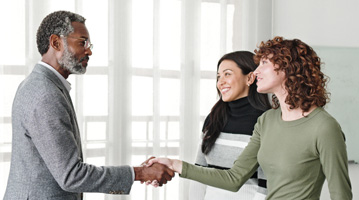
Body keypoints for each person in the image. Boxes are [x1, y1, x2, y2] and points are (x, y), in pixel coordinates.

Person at [148, 36, 353, 200]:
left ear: (287, 68)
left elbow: (340, 194)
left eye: (264, 63)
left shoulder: (324, 127)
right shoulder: (267, 121)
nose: (256, 71)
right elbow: (233, 178)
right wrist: (174, 164)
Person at [4, 10, 174, 200]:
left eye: (89, 44)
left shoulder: (41, 85)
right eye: (82, 42)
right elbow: (71, 176)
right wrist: (140, 173)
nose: (89, 51)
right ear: (56, 43)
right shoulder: (46, 94)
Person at [188, 51, 271, 200]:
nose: (220, 82)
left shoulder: (266, 120)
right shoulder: (213, 118)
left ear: (250, 77)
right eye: (218, 77)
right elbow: (199, 171)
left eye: (227, 74)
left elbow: (266, 184)